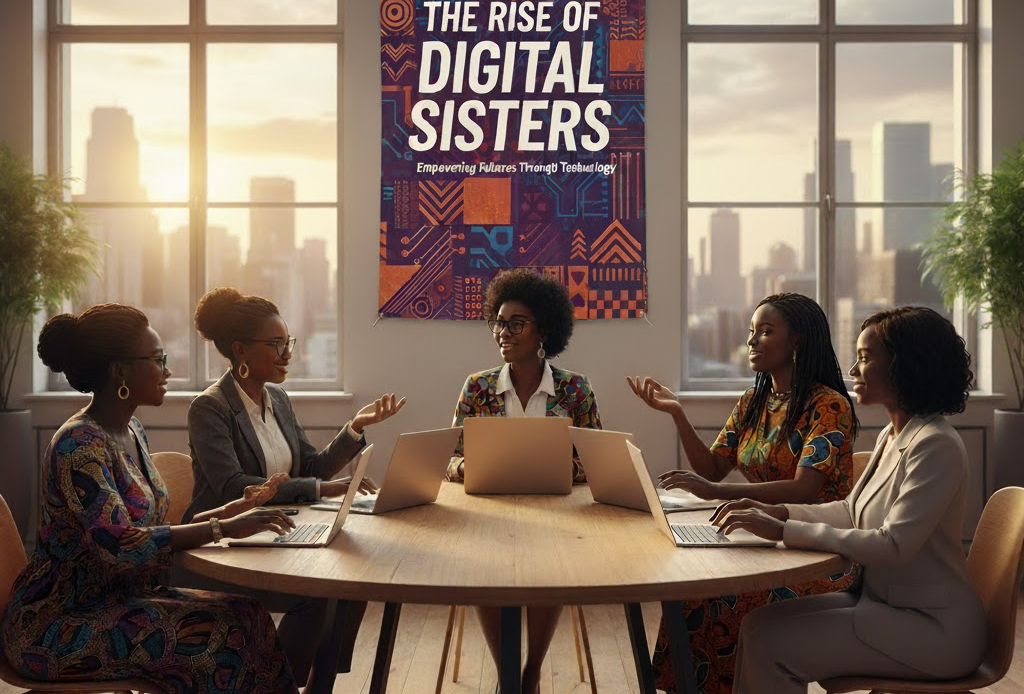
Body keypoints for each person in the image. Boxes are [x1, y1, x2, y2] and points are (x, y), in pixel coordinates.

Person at [0, 304, 299, 693]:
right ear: (119, 371)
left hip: (125, 600)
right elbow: (121, 546)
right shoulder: (78, 445)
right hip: (61, 621)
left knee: (249, 613)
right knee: (219, 635)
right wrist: (221, 528)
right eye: (158, 360)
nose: (167, 371)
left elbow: (152, 528)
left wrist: (235, 509)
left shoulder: (132, 430)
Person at [718, 306, 985, 693]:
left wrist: (783, 531)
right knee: (755, 624)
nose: (853, 370)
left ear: (904, 366)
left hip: (934, 628)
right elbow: (850, 510)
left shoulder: (936, 445)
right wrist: (778, 512)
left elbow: (893, 545)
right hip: (884, 604)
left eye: (865, 357)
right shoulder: (893, 435)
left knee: (770, 645)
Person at [627, 292, 858, 694]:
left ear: (798, 341)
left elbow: (805, 489)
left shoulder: (829, 405)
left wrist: (717, 492)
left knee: (727, 599)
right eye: (752, 330)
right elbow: (712, 468)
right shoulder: (753, 401)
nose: (752, 340)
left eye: (765, 331)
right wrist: (677, 413)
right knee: (693, 592)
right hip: (766, 540)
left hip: (819, 553)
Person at [179, 286, 405, 685]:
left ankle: (315, 684)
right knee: (315, 597)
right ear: (241, 350)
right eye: (275, 344)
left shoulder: (278, 399)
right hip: (219, 546)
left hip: (273, 533)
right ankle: (274, 685)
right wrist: (321, 490)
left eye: (288, 342)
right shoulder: (210, 408)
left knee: (352, 585)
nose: (287, 354)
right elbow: (234, 487)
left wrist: (355, 427)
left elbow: (312, 466)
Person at [448, 267, 602, 694]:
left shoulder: (576, 389)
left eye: (516, 323)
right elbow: (449, 458)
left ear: (544, 330)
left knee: (551, 565)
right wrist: (468, 469)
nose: (503, 332)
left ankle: (530, 672)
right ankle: (507, 674)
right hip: (490, 512)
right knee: (482, 565)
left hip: (557, 514)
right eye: (498, 322)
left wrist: (561, 469)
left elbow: (597, 461)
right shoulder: (477, 388)